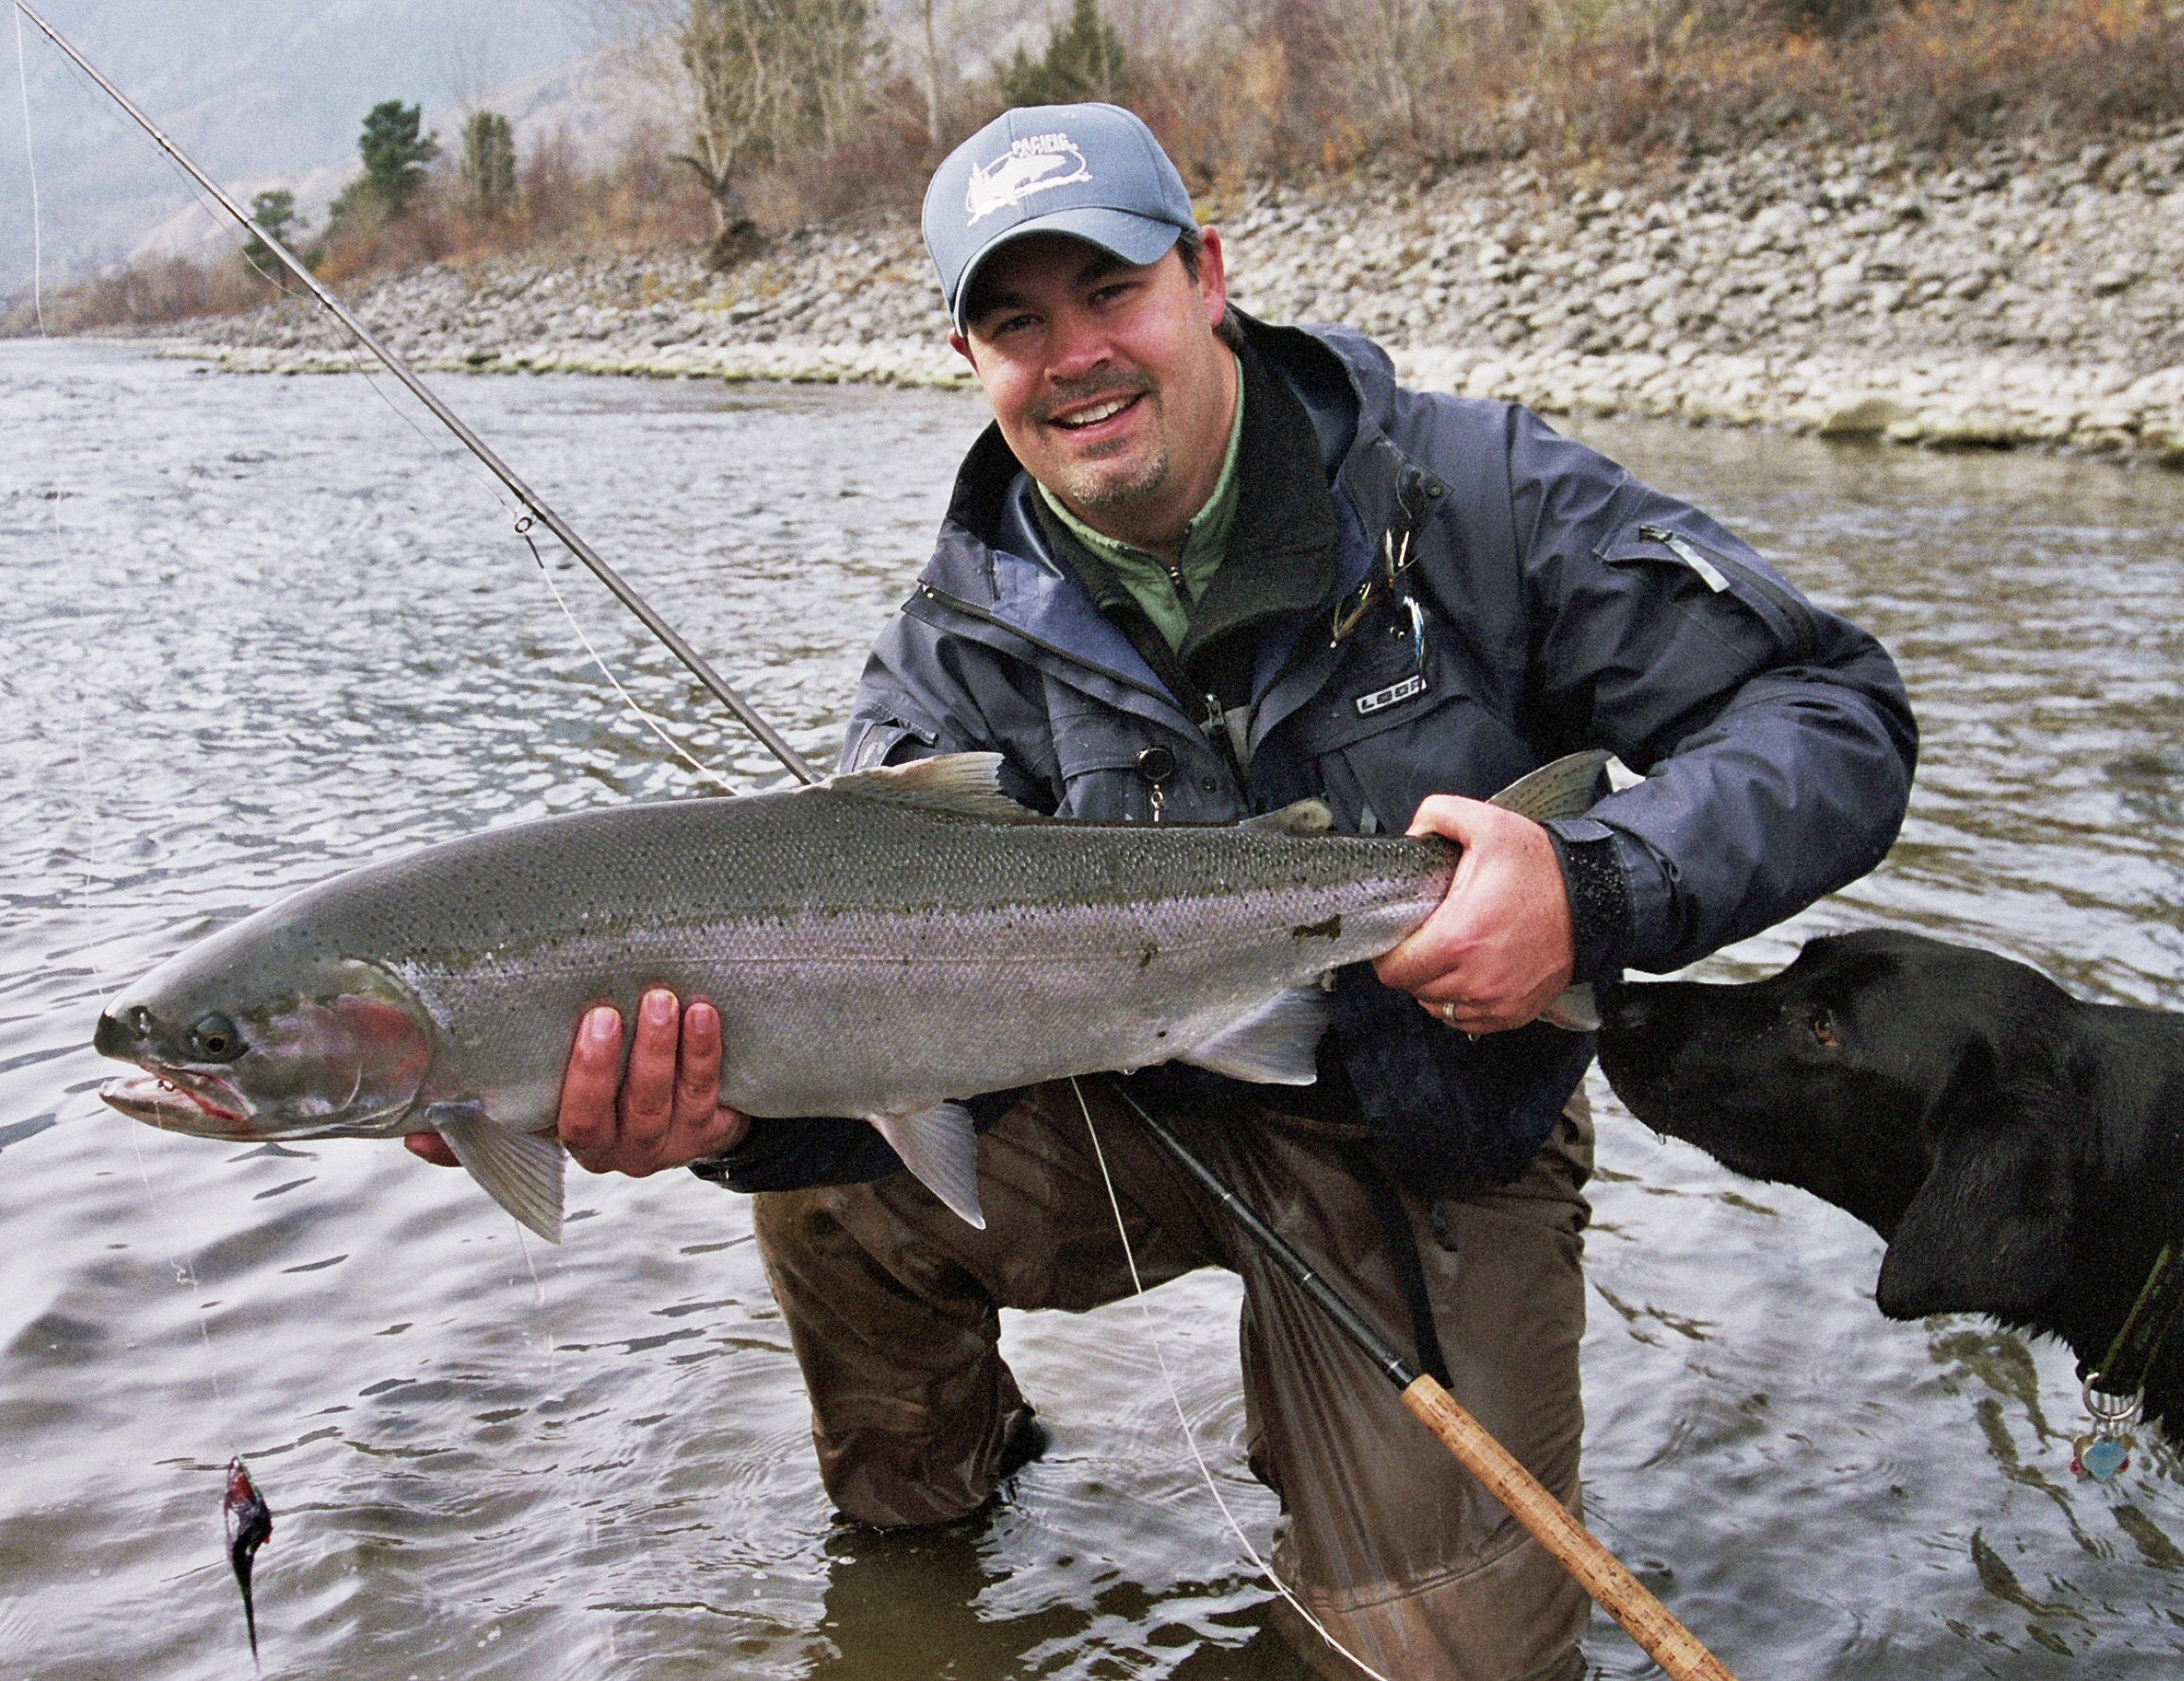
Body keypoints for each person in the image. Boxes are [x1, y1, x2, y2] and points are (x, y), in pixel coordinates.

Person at [410, 103, 1916, 1679]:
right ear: (968, 356)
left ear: (1206, 275)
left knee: (1438, 1665)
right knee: (829, 1181)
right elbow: (858, 1021)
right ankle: (929, 1530)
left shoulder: (1479, 495)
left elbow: (1836, 714)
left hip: (1436, 1126)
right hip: (1123, 1107)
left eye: (1109, 292)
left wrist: (1591, 890)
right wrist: (724, 1124)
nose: (1074, 357)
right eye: (1016, 322)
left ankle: (1349, 1488)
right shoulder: (953, 646)